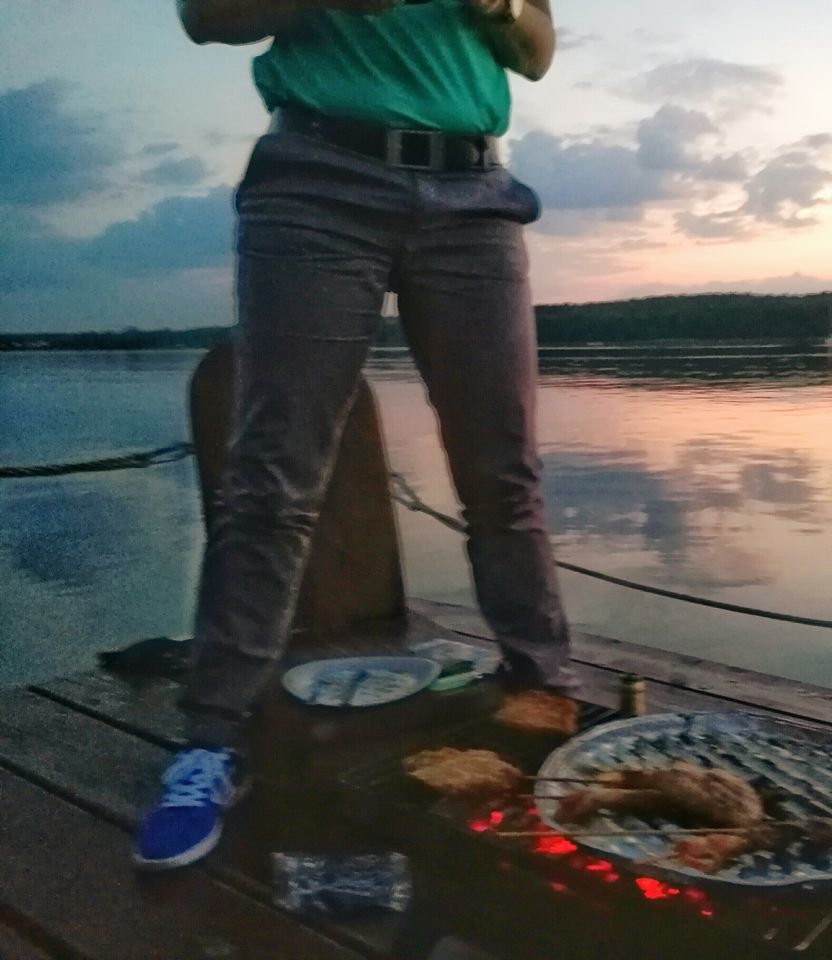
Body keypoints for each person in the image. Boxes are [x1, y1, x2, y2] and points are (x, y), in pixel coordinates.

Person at [134, 0, 573, 869]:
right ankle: (212, 743)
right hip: (317, 182)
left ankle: (545, 688)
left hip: (476, 197)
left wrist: (504, 6)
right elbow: (205, 18)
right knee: (274, 479)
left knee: (505, 473)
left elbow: (537, 51)